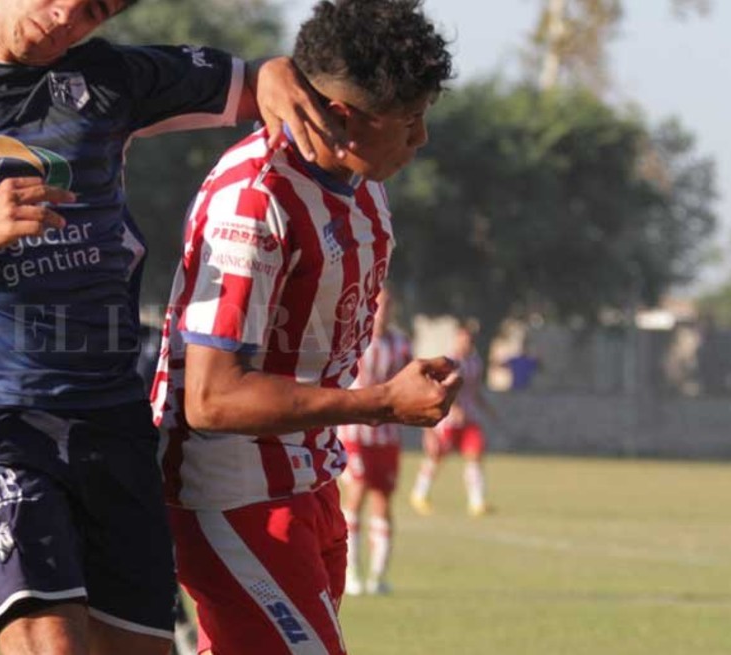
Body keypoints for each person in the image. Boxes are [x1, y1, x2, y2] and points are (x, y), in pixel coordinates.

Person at [0, 0, 347, 652]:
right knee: (53, 644)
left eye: (93, 11)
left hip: (113, 419)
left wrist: (275, 73)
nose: (66, 17)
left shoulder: (111, 77)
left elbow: (257, 79)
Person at [150, 1, 457, 651]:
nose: (421, 138)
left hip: (311, 477)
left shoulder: (363, 184)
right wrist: (382, 402)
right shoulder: (256, 198)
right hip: (232, 492)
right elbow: (212, 397)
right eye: (408, 120)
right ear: (342, 116)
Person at [335, 289, 414, 597]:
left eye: (388, 306)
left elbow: (410, 383)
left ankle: (379, 577)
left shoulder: (401, 344)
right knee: (356, 494)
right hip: (355, 434)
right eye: (379, 305)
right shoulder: (352, 338)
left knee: (383, 500)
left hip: (387, 437)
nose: (383, 311)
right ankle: (351, 573)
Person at [409, 323, 498, 517]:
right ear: (456, 340)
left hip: (469, 419)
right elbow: (439, 391)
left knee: (475, 455)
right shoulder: (447, 364)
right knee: (437, 456)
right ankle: (419, 493)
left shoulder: (475, 362)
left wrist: (487, 408)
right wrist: (454, 409)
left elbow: (474, 391)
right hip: (448, 421)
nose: (465, 344)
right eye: (462, 340)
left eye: (469, 341)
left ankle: (477, 502)